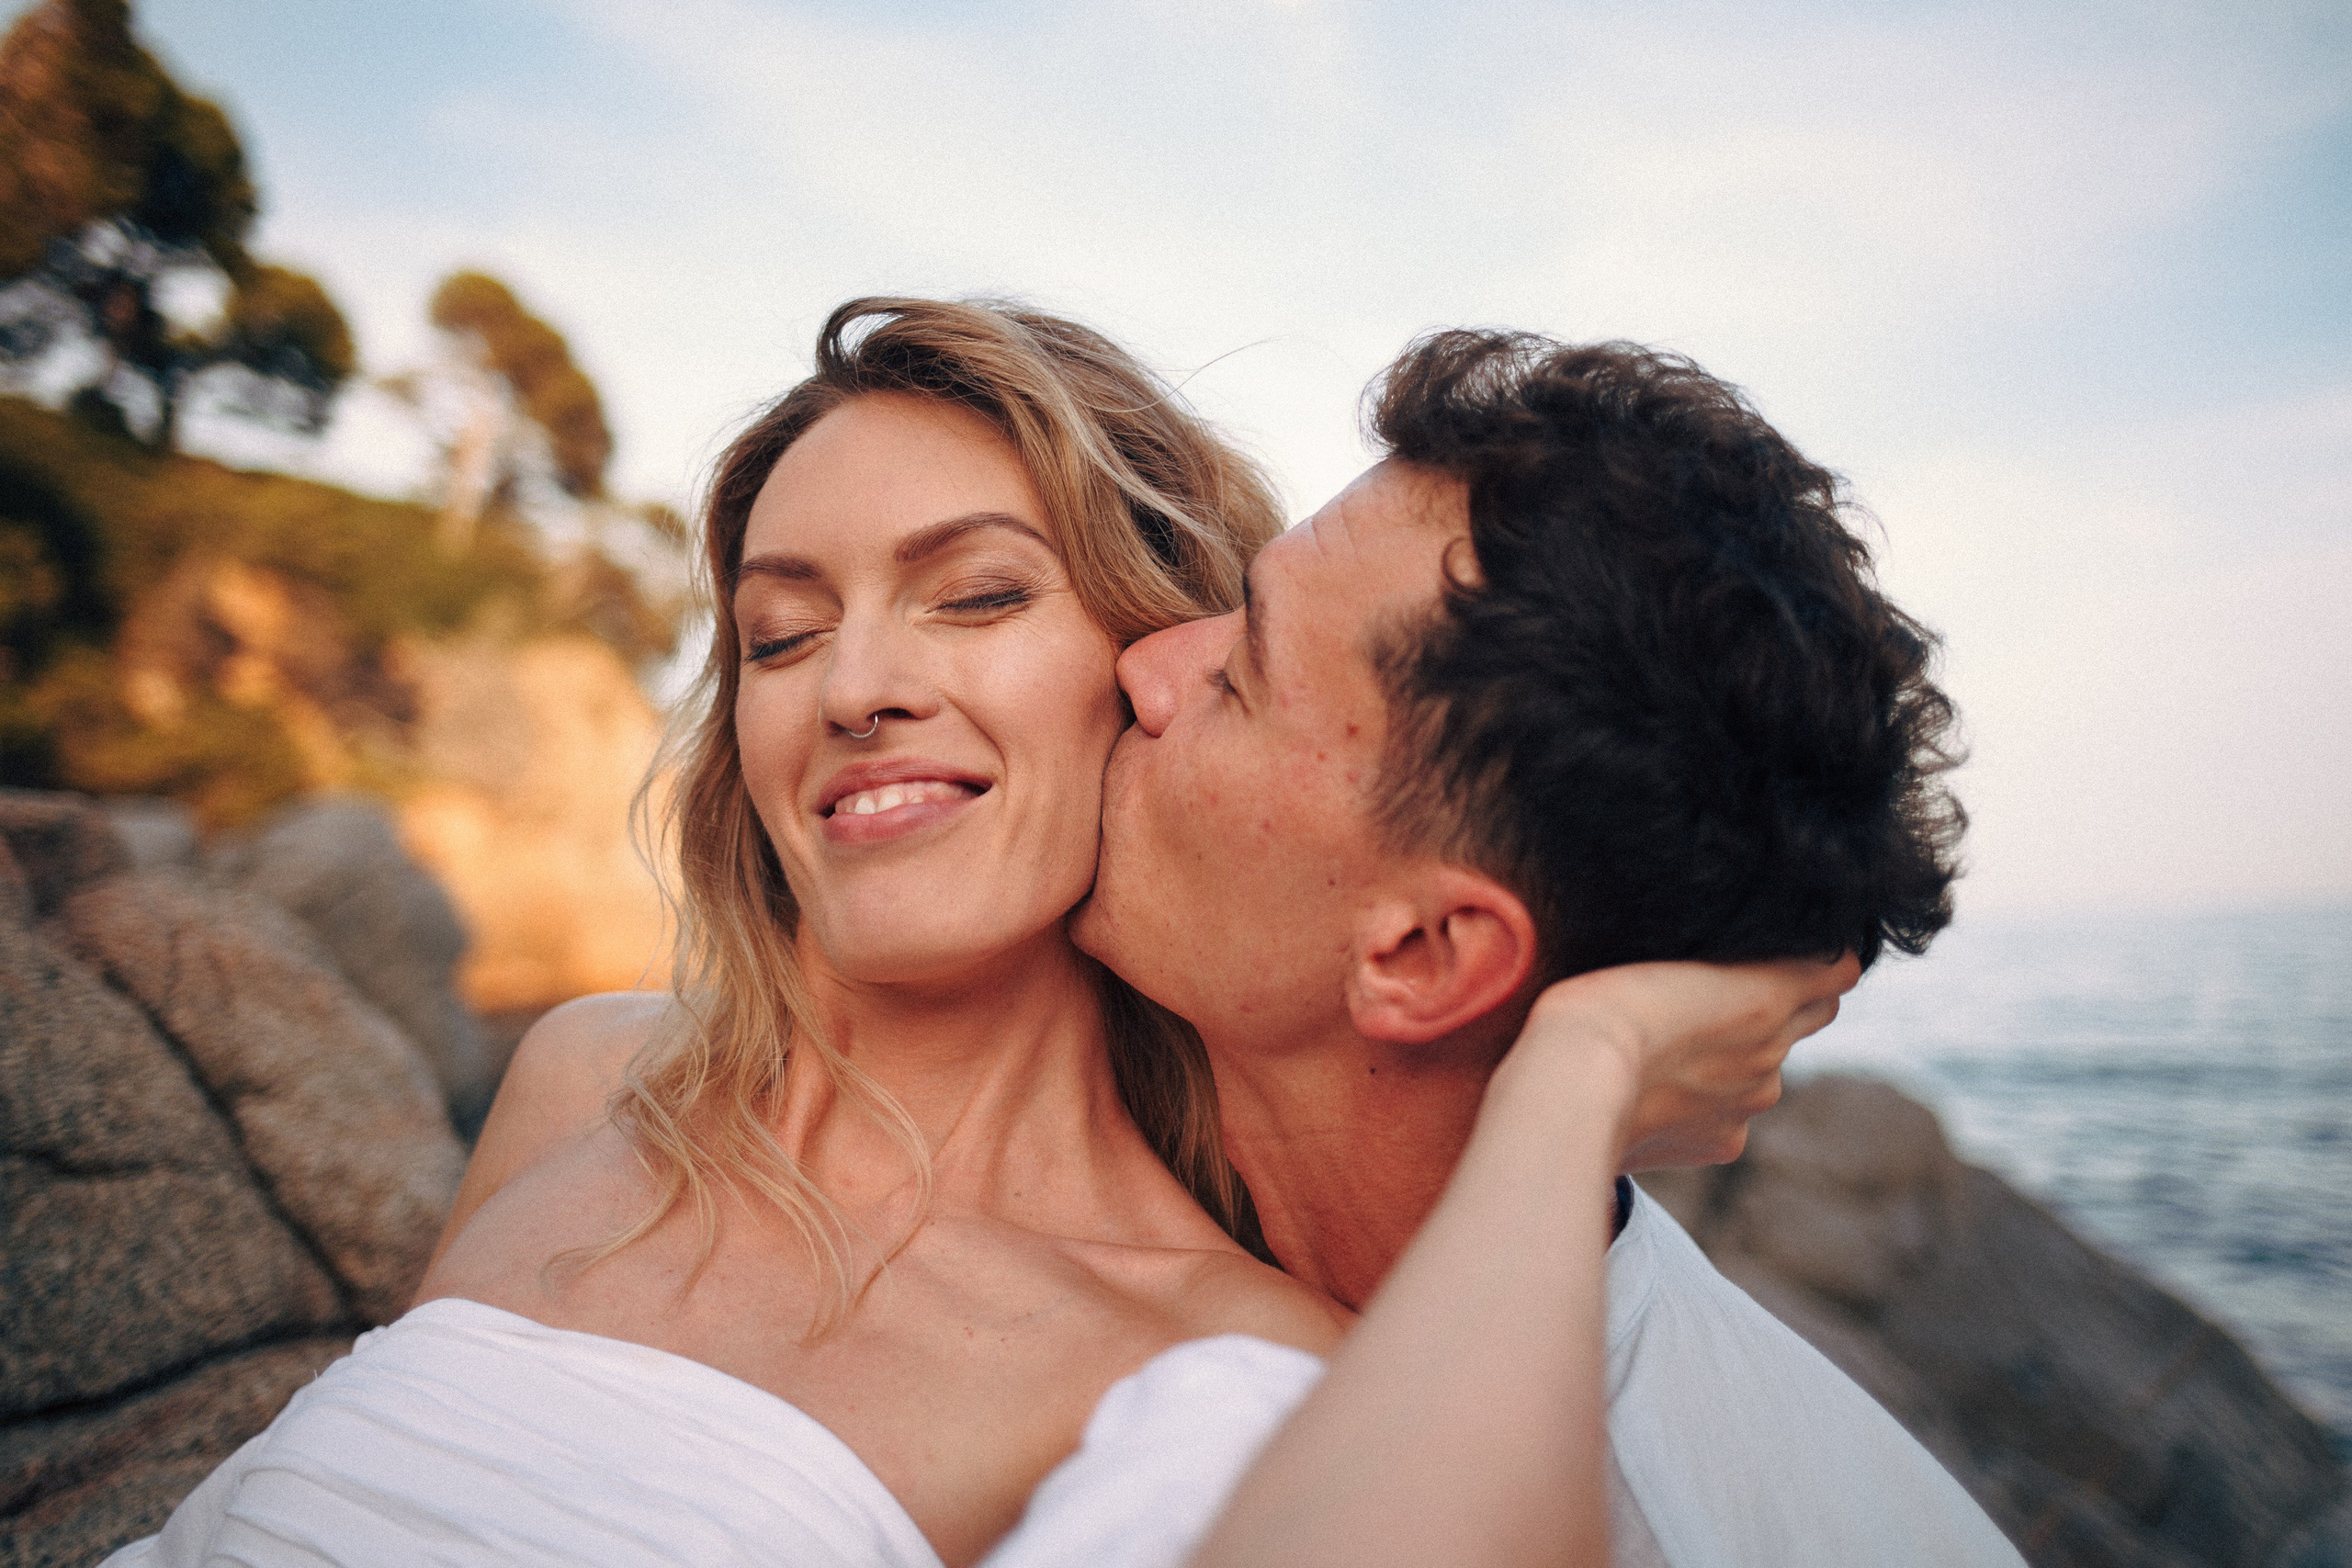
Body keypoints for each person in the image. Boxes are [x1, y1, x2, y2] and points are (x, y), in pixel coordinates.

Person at [1075, 331, 2026, 1566]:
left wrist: (1592, 1055)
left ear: (1423, 956)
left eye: (1239, 678)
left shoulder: (1678, 1524)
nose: (1145, 666)